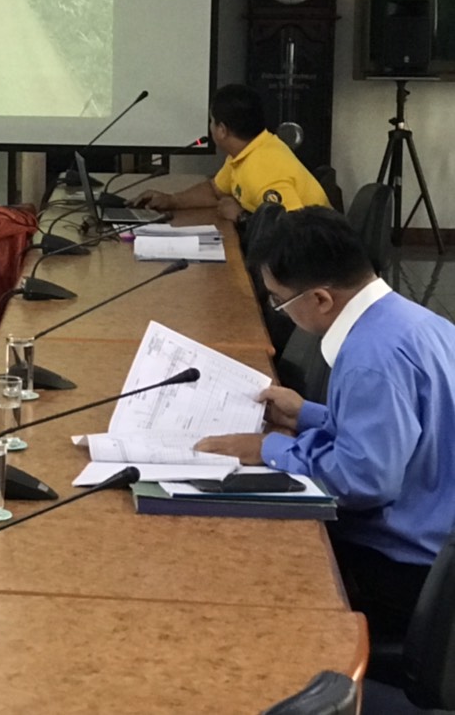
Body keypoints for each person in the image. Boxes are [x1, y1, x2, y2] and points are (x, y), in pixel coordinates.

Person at [195, 207, 455, 648]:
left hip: (406, 572)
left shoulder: (369, 357)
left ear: (320, 299)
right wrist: (308, 415)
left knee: (250, 567)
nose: (280, 310)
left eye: (279, 300)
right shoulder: (417, 321)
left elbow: (363, 480)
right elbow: (408, 431)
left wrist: (266, 449)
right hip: (437, 537)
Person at [136, 84, 329, 220]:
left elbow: (293, 230)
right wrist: (172, 200)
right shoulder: (247, 152)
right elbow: (215, 191)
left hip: (317, 260)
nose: (210, 127)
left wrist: (241, 217)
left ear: (222, 130)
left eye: (211, 121)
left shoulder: (263, 167)